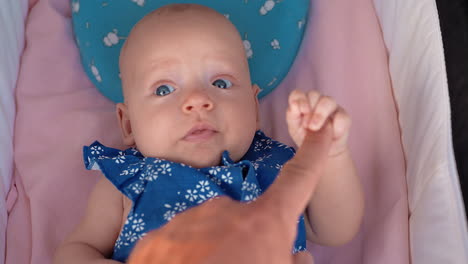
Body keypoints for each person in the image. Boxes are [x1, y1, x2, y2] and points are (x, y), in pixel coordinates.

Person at [53, 3, 364, 264]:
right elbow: (76, 251)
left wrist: (331, 152)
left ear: (254, 109)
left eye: (220, 83)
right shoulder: (127, 183)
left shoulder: (277, 167)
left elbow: (335, 230)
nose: (198, 100)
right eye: (164, 89)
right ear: (129, 125)